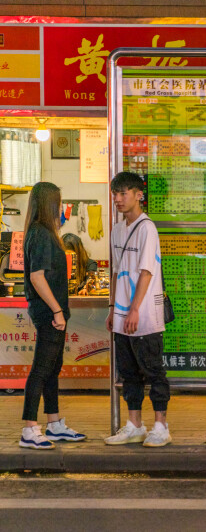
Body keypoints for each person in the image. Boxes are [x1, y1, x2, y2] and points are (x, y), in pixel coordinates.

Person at [104, 171, 171, 448]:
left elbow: (146, 272)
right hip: (121, 314)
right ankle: (134, 425)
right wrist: (112, 308)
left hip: (143, 315)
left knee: (153, 371)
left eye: (123, 193)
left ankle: (161, 426)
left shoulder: (147, 228)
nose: (118, 199)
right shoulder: (117, 230)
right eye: (115, 194)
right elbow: (116, 271)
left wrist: (134, 309)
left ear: (138, 194)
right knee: (129, 372)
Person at [18, 182, 86, 449]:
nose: (62, 207)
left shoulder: (43, 232)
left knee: (53, 369)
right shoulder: (41, 234)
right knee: (41, 370)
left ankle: (54, 424)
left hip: (53, 312)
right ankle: (29, 428)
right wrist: (57, 310)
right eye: (60, 202)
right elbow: (37, 276)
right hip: (49, 313)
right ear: (50, 204)